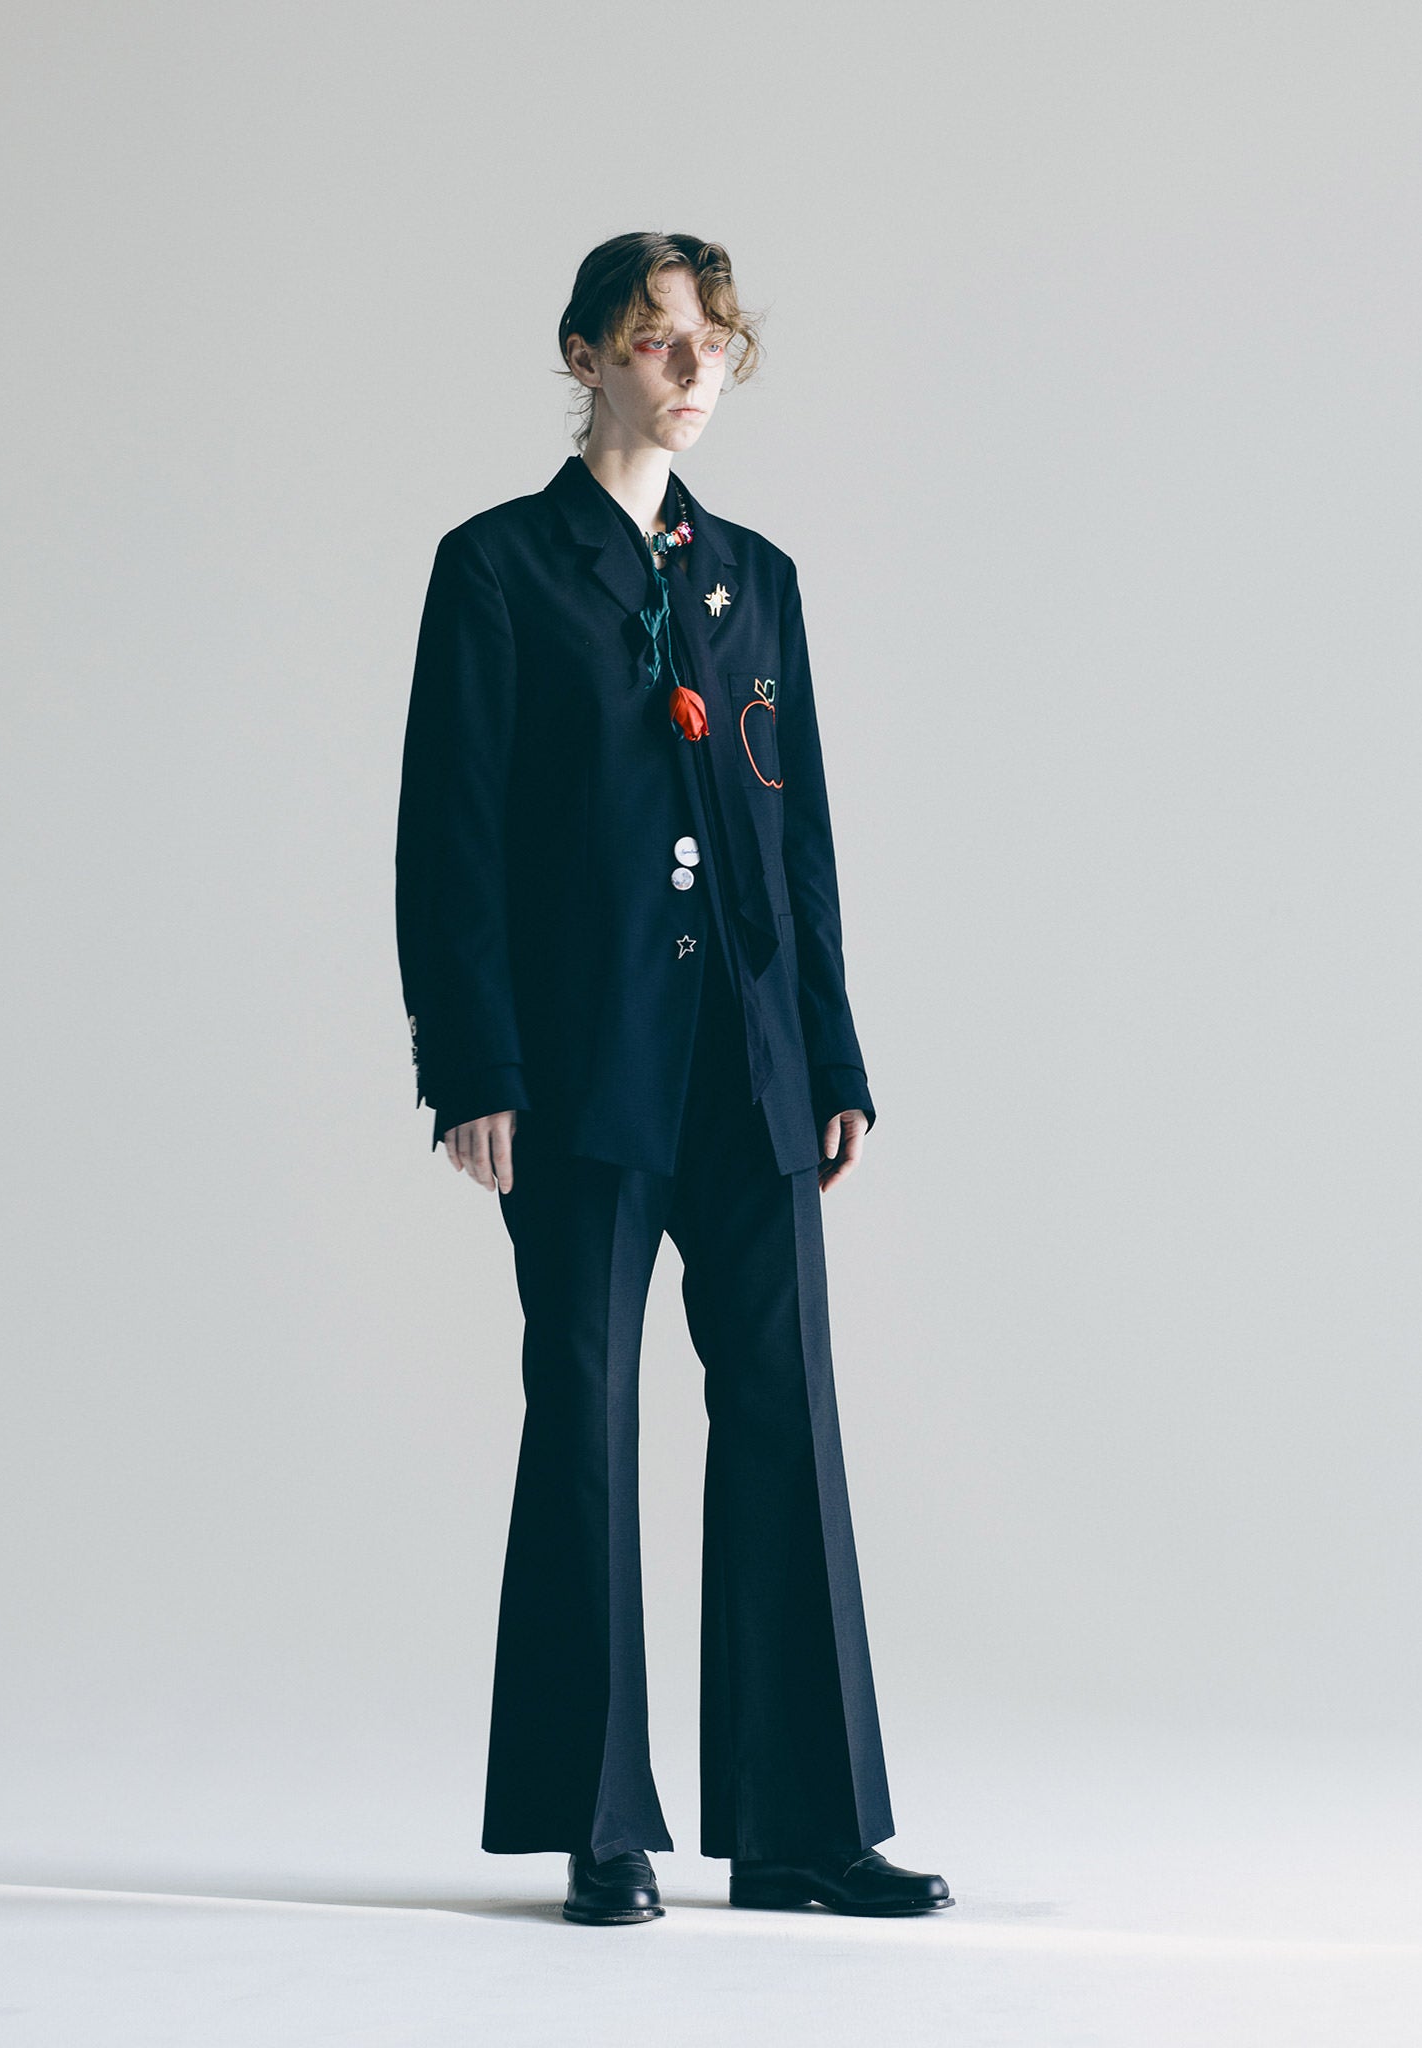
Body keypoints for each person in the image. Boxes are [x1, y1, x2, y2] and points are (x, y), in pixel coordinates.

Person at [395, 231, 951, 1926]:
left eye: (711, 340)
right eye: (655, 340)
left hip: (752, 1063)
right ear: (585, 357)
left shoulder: (755, 577)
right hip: (580, 1064)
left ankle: (800, 1830)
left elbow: (802, 835)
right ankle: (597, 1820)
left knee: (786, 1411)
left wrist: (834, 1052)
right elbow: (449, 838)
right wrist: (474, 1063)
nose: (692, 369)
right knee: (585, 1409)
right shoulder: (499, 569)